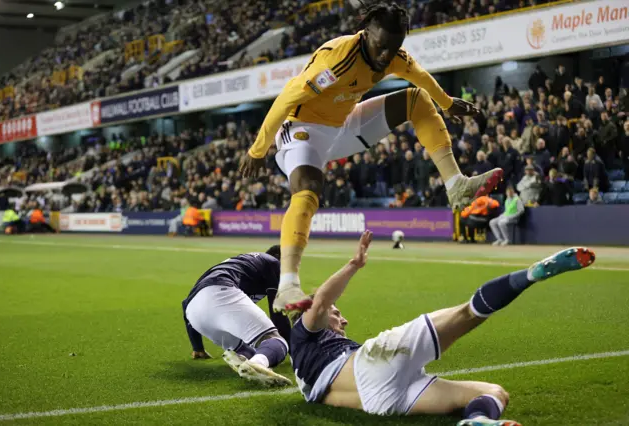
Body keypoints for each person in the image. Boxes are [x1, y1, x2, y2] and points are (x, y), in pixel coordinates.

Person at [239, 2, 503, 313]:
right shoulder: (335, 60)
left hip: (343, 125)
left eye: (394, 47)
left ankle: (455, 184)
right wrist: (258, 149)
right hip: (302, 131)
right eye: (380, 46)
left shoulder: (393, 56)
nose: (385, 56)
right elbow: (286, 99)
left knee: (417, 101)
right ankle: (287, 285)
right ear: (365, 34)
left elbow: (420, 77)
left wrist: (445, 103)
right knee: (309, 188)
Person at [289, 232, 595, 425]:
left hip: (379, 403)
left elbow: (338, 398)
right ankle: (530, 276)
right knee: (467, 314)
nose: (343, 320)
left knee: (494, 392)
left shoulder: (309, 380)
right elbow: (319, 303)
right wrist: (354, 264)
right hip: (375, 361)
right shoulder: (304, 334)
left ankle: (476, 421)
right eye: (337, 314)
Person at [182, 246, 292, 386]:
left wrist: (197, 348)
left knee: (251, 349)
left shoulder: (245, 265)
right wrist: (297, 353)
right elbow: (278, 315)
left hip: (194, 313)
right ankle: (255, 364)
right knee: (276, 341)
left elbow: (185, 304)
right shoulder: (273, 263)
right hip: (219, 293)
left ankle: (241, 357)